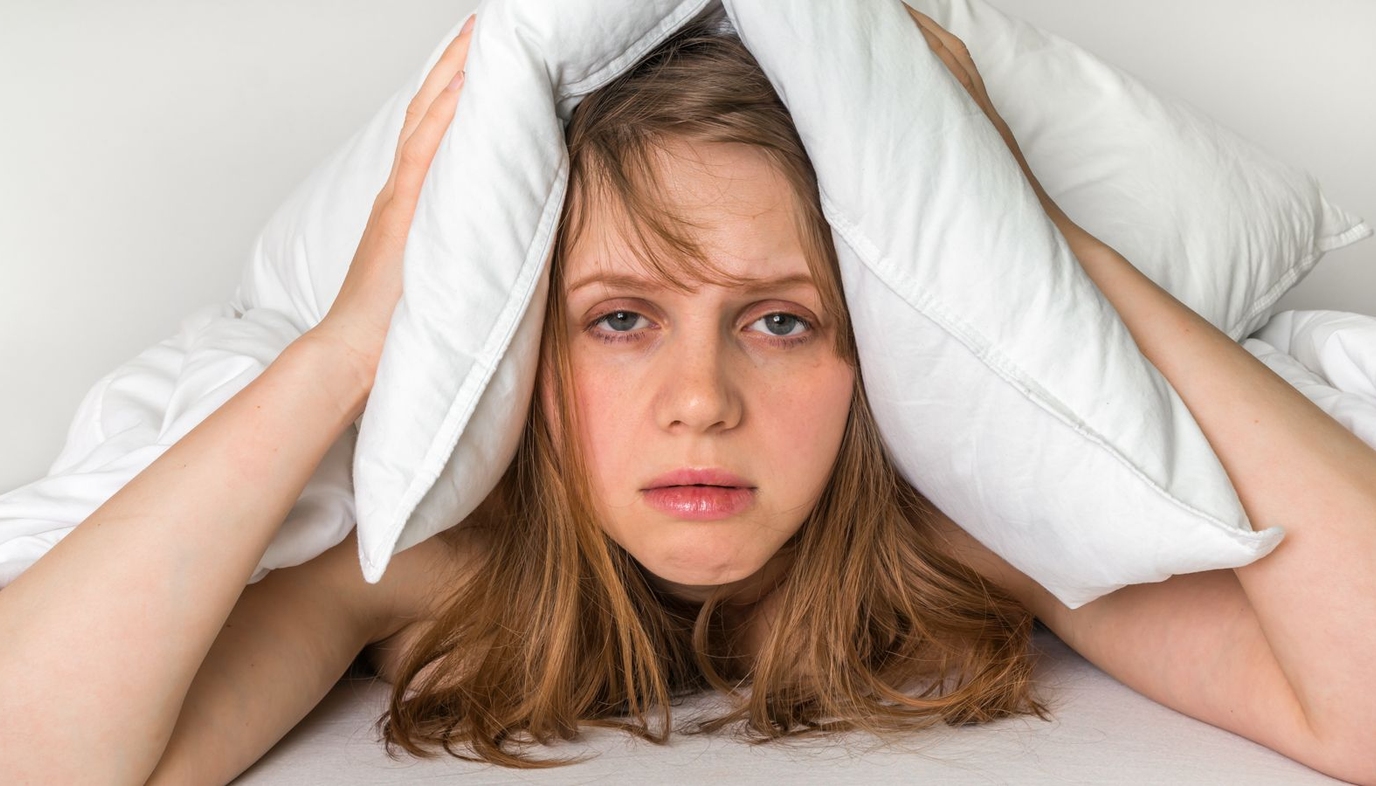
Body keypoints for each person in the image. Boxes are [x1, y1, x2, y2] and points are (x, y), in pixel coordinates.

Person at [3, 8, 1374, 785]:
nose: (700, 400)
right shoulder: (424, 559)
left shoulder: (960, 540)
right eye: (619, 321)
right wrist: (350, 343)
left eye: (780, 320)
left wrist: (1045, 253)